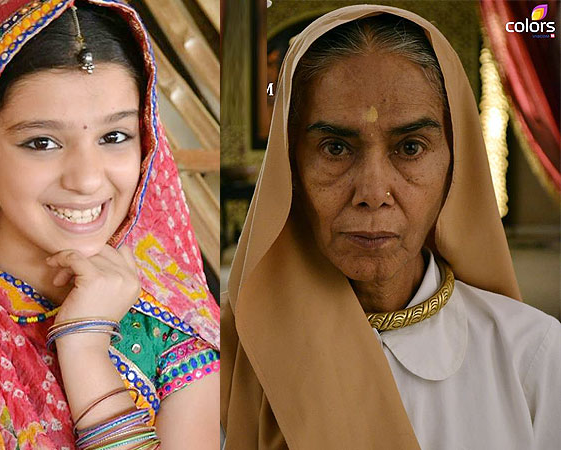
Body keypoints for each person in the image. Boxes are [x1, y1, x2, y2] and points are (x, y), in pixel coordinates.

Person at [0, 0, 219, 448]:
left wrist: (84, 346)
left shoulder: (177, 342)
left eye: (114, 137)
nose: (87, 179)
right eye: (42, 142)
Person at [221, 5, 560, 449]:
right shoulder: (225, 353)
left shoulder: (533, 355)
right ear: (290, 168)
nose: (374, 191)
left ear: (454, 166)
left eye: (411, 147)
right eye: (336, 147)